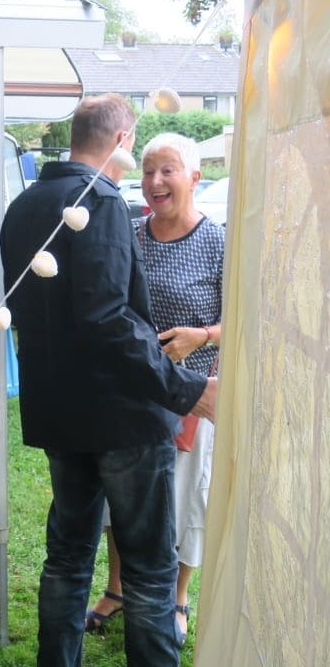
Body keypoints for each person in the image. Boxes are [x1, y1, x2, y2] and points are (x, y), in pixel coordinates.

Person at [0, 93, 218, 667]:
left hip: (59, 412)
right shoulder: (100, 203)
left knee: (68, 556)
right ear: (123, 140)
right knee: (148, 567)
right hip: (122, 418)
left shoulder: (22, 207)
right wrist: (188, 389)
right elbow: (107, 318)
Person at [84, 133, 223, 649]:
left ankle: (179, 598)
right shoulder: (129, 234)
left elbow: (245, 318)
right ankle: (117, 589)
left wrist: (202, 336)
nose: (155, 181)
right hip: (132, 392)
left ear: (194, 178)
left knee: (185, 500)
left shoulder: (218, 242)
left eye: (168, 170)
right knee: (123, 498)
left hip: (192, 395)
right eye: (147, 171)